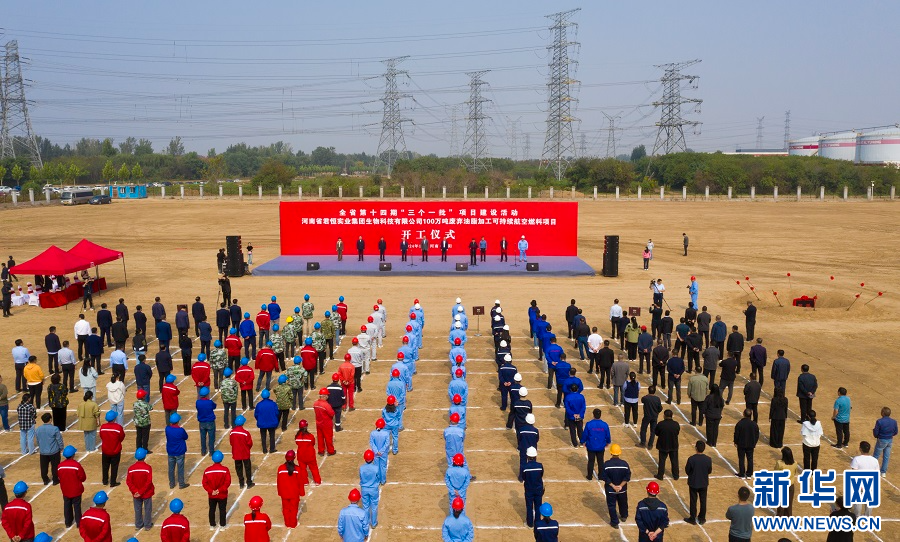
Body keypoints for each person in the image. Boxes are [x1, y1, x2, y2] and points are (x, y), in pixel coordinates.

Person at [601, 443, 631, 527]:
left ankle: (614, 522)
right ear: (619, 453)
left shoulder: (606, 464)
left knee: (611, 505)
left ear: (611, 453)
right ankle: (624, 515)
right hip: (622, 489)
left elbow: (604, 477)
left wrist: (613, 486)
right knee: (623, 503)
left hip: (611, 490)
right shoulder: (625, 464)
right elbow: (627, 477)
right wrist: (620, 486)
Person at [684, 440, 712, 525]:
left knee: (693, 501)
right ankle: (702, 518)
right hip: (703, 483)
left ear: (696, 448)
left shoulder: (691, 459)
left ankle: (693, 518)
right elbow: (709, 471)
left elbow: (687, 471)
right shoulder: (708, 459)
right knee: (703, 501)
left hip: (694, 483)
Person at [58, 445, 87, 528]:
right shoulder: (76, 465)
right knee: (77, 507)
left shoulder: (60, 466)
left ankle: (68, 522)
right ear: (73, 455)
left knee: (67, 506)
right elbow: (83, 478)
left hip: (65, 490)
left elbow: (59, 476)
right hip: (76, 490)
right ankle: (79, 523)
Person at [126, 447, 155, 531]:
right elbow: (148, 482)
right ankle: (147, 525)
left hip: (136, 494)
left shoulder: (131, 469)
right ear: (144, 456)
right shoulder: (148, 468)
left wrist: (136, 491)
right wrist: (141, 491)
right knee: (147, 509)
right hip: (146, 493)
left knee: (137, 509)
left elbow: (129, 482)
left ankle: (138, 524)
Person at [278, 450, 304, 529]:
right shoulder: (297, 469)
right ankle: (293, 524)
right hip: (294, 493)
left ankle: (287, 523)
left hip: (284, 492)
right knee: (293, 509)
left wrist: (280, 492)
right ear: (294, 458)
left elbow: (278, 481)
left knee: (285, 508)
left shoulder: (281, 468)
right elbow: (300, 482)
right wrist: (301, 492)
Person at [35, 413, 63, 485]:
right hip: (54, 451)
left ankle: (45, 479)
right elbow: (59, 439)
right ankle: (55, 480)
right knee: (55, 466)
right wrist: (61, 448)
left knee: (44, 467)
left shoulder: (38, 429)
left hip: (43, 451)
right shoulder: (55, 429)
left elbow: (38, 440)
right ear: (50, 419)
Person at [582, 409, 611, 479]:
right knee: (601, 461)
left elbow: (585, 434)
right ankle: (600, 476)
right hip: (601, 446)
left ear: (593, 414)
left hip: (591, 446)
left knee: (591, 461)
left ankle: (589, 476)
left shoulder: (589, 424)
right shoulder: (604, 425)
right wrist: (608, 442)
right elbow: (607, 435)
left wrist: (583, 441)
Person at [358, 449, 383, 528]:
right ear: (372, 458)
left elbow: (361, 478)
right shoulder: (376, 468)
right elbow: (378, 477)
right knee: (374, 506)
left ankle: (366, 522)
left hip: (364, 489)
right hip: (373, 489)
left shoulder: (361, 468)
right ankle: (374, 523)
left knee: (365, 506)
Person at [99, 410, 125, 486]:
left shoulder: (103, 427)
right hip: (115, 450)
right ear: (114, 418)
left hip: (105, 450)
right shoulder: (118, 427)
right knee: (114, 466)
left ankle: (105, 480)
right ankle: (113, 482)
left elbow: (101, 436)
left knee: (105, 466)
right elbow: (121, 437)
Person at [774, 446, 802, 516]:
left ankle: (779, 516)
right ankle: (788, 516)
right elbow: (794, 473)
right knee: (789, 503)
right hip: (790, 485)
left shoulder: (779, 463)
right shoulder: (795, 463)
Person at [521, 447, 544, 527]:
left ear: (527, 456)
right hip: (538, 489)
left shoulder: (524, 467)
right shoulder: (540, 466)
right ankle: (537, 522)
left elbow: (524, 477)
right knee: (538, 506)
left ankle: (530, 524)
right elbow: (541, 475)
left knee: (529, 506)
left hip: (529, 489)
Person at [654, 409, 680, 480]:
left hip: (663, 445)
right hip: (673, 445)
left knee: (662, 461)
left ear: (664, 416)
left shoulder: (661, 424)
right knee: (674, 461)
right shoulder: (676, 424)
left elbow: (656, 433)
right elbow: (677, 432)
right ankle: (676, 475)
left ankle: (660, 475)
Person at [165, 413, 189, 489]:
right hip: (179, 451)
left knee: (171, 469)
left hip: (171, 451)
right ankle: (181, 484)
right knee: (180, 468)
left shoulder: (167, 429)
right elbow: (186, 437)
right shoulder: (181, 430)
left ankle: (171, 484)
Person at [230, 416, 255, 488]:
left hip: (236, 453)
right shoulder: (245, 433)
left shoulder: (232, 432)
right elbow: (250, 443)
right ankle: (249, 483)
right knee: (247, 467)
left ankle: (241, 483)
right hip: (245, 453)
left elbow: (231, 442)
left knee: (238, 468)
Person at [734, 408, 760, 478]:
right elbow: (757, 434)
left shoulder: (740, 424)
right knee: (750, 459)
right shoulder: (754, 424)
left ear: (743, 414)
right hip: (751, 444)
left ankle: (742, 473)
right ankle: (749, 474)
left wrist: (735, 442)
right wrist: (754, 442)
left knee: (741, 459)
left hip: (741, 444)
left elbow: (736, 434)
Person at [873, 407, 898, 476]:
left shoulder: (879, 421)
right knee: (886, 457)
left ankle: (873, 470)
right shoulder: (894, 421)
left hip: (881, 439)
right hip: (890, 440)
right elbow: (896, 432)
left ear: (883, 413)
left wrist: (877, 436)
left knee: (876, 455)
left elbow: (876, 432)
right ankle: (883, 472)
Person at [294, 419, 320, 486]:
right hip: (310, 455)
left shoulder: (297, 436)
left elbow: (297, 443)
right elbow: (313, 443)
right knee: (314, 468)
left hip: (301, 455)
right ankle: (317, 481)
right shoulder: (310, 436)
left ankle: (305, 481)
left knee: (302, 469)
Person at [254, 389, 279, 454]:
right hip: (272, 422)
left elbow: (256, 414)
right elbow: (277, 413)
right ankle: (272, 449)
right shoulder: (273, 404)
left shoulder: (259, 405)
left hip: (262, 423)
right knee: (272, 436)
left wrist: (259, 420)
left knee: (263, 436)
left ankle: (264, 449)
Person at [314, 389, 336, 455]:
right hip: (326, 424)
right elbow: (332, 413)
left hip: (318, 423)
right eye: (327, 395)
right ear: (324, 396)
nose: (328, 396)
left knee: (320, 438)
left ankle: (321, 451)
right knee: (328, 438)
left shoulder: (315, 403)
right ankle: (330, 451)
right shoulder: (326, 405)